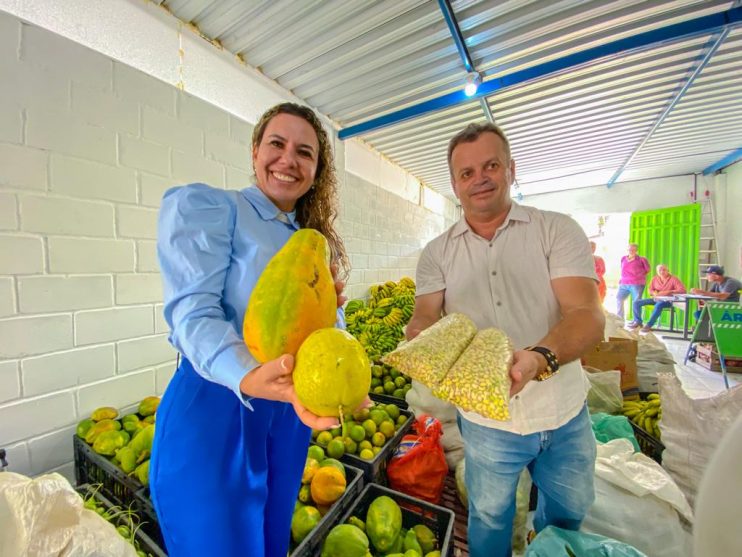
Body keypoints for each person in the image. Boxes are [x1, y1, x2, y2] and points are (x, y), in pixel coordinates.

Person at [151, 103, 349, 557]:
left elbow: (324, 333)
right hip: (216, 407)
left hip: (286, 415)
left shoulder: (311, 242)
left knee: (269, 539)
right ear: (255, 151)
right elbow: (192, 314)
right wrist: (246, 374)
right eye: (276, 144)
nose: (288, 160)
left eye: (305, 152)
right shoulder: (215, 209)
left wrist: (338, 363)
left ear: (317, 172)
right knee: (220, 543)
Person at [407, 122, 605, 557]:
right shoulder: (438, 253)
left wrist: (538, 359)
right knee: (491, 516)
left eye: (491, 165)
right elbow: (424, 316)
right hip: (487, 424)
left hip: (563, 412)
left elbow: (587, 315)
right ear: (455, 184)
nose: (480, 178)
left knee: (567, 515)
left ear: (511, 169)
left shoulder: (555, 229)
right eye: (466, 172)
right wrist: (419, 340)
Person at [627, 264, 686, 332]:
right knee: (636, 303)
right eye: (659, 270)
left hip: (668, 301)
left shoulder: (673, 279)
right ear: (657, 271)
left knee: (658, 305)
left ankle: (648, 325)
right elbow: (650, 290)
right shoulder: (655, 278)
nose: (662, 272)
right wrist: (654, 293)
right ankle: (638, 322)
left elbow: (682, 290)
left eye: (664, 270)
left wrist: (669, 292)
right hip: (656, 298)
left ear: (668, 270)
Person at [616, 243, 650, 320]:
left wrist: (638, 275)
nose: (631, 251)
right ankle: (619, 318)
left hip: (637, 283)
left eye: (633, 249)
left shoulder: (642, 259)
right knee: (619, 299)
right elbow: (622, 269)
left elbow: (647, 269)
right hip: (624, 283)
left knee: (636, 302)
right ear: (627, 250)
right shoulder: (623, 258)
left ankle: (637, 321)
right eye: (629, 249)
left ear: (636, 250)